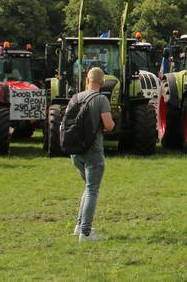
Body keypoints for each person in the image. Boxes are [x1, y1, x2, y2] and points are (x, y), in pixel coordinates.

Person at [70, 67, 114, 242]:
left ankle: (79, 225)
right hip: (93, 151)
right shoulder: (101, 99)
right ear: (102, 82)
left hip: (75, 152)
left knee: (88, 187)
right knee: (92, 190)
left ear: (86, 80)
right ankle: (86, 233)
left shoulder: (75, 98)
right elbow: (109, 125)